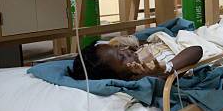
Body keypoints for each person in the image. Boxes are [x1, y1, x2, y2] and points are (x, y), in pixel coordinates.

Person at [68, 40, 203, 81]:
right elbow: (197, 50)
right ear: (118, 76)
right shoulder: (149, 75)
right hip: (187, 44)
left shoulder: (135, 52)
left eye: (119, 49)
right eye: (121, 57)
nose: (125, 51)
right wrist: (166, 68)